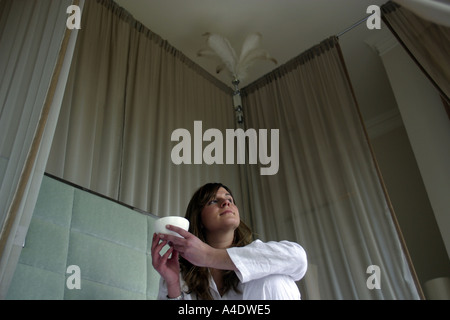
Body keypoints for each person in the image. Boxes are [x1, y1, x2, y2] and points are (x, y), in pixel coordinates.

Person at [151, 182, 307, 300]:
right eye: (213, 201)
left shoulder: (257, 252)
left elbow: (298, 258)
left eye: (229, 199)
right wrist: (172, 285)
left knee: (273, 279)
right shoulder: (182, 273)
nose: (226, 203)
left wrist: (209, 256)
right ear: (199, 219)